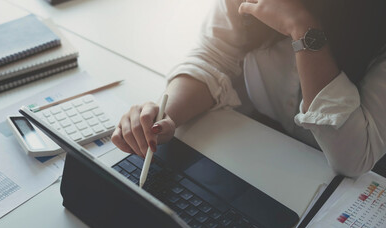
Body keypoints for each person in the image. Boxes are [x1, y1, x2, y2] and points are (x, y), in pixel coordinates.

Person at [111, 0, 386, 177]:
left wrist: (303, 29)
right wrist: (165, 116)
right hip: (270, 157)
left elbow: (353, 157)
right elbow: (213, 55)